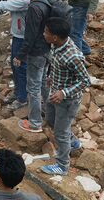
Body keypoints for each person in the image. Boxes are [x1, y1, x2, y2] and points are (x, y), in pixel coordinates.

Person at [39, 17, 90, 176]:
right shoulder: (55, 45)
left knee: (60, 133)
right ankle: (73, 142)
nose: (43, 34)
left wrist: (63, 93)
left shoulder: (73, 56)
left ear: (54, 36)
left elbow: (85, 80)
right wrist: (51, 78)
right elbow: (57, 65)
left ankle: (62, 166)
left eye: (46, 32)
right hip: (55, 93)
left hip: (67, 100)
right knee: (51, 121)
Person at [17, 0, 54, 133]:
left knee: (33, 88)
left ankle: (34, 123)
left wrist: (20, 55)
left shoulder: (34, 8)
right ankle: (49, 114)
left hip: (36, 53)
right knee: (44, 84)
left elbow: (30, 36)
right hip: (47, 50)